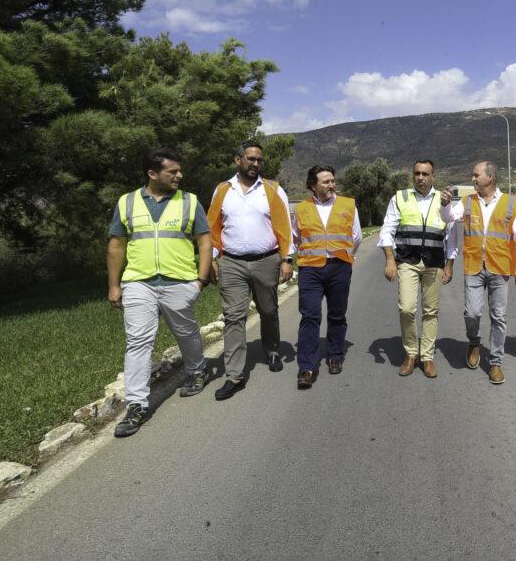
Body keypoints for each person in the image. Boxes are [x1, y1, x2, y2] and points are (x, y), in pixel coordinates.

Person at [107, 149, 211, 437]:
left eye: (179, 171)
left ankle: (197, 369)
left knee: (185, 331)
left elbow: (205, 241)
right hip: (138, 282)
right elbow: (117, 244)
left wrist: (200, 281)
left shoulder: (189, 201)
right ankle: (137, 405)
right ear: (153, 174)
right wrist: (114, 285)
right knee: (138, 340)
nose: (180, 175)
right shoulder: (126, 202)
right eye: (173, 172)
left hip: (180, 281)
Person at [206, 141, 295, 401]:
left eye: (259, 160)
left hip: (266, 260)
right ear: (238, 160)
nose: (256, 164)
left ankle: (272, 349)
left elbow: (285, 227)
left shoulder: (273, 189)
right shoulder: (223, 190)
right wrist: (211, 259)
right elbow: (213, 227)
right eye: (251, 159)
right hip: (231, 262)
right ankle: (235, 375)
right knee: (234, 316)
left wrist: (287, 259)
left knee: (268, 310)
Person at [440, 161, 516, 385]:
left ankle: (496, 362)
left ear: (490, 177)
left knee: (498, 317)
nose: (473, 179)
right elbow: (448, 218)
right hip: (474, 267)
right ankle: (474, 341)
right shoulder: (467, 201)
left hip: (500, 268)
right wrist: (445, 205)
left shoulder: (510, 202)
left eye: (476, 175)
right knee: (472, 313)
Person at [379, 160, 456, 378]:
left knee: (431, 311)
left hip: (434, 262)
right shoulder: (400, 198)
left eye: (425, 174)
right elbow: (387, 230)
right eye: (416, 173)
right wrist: (390, 259)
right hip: (407, 261)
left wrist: (450, 265)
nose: (420, 177)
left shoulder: (444, 200)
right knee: (407, 308)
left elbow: (451, 236)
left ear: (433, 177)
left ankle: (427, 357)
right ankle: (411, 353)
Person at [292, 165, 361, 389]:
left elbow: (356, 236)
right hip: (310, 269)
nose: (332, 185)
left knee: (337, 314)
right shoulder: (301, 208)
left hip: (339, 266)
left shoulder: (348, 204)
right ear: (313, 185)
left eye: (332, 180)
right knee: (310, 316)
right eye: (326, 182)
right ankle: (307, 367)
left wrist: (345, 257)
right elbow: (296, 238)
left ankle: (334, 355)